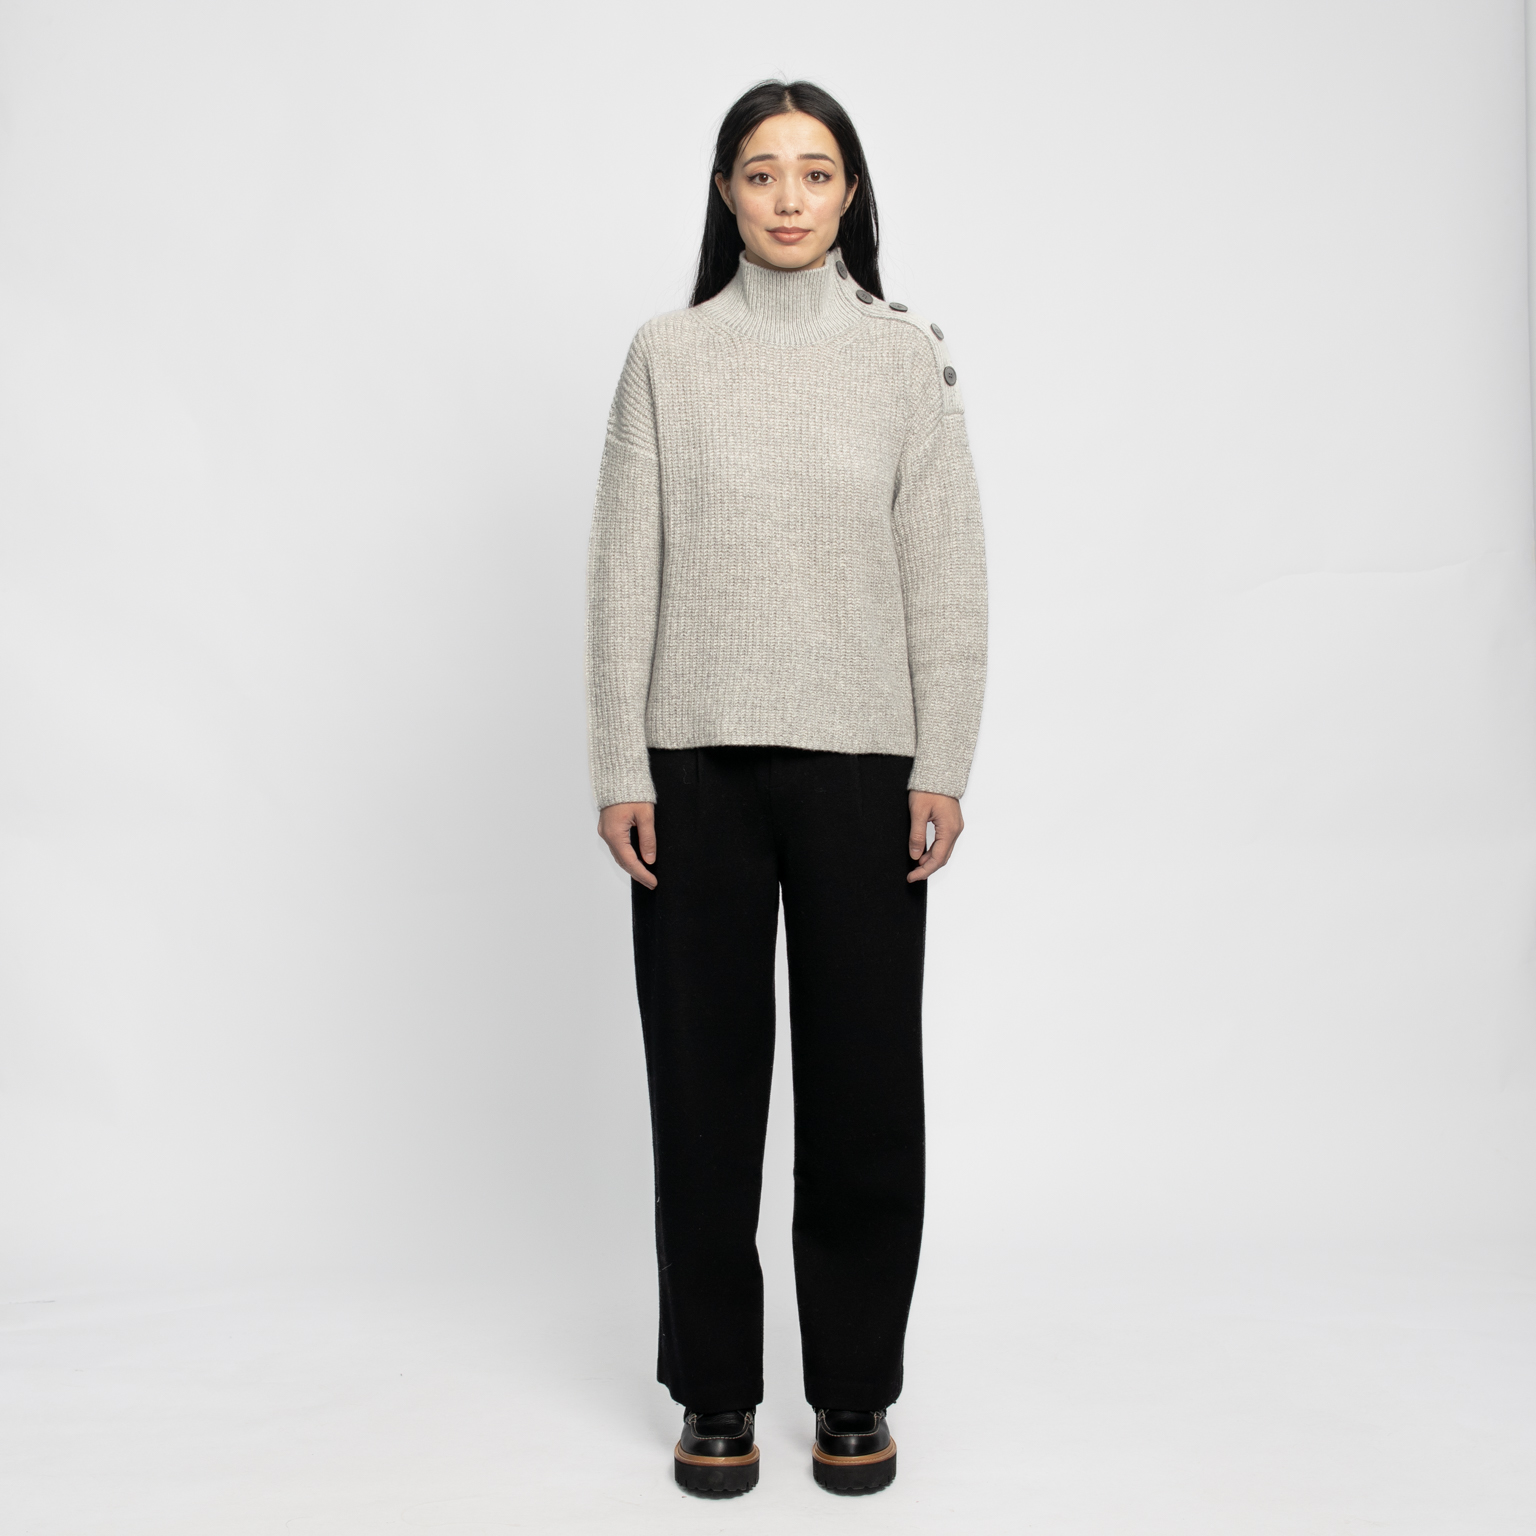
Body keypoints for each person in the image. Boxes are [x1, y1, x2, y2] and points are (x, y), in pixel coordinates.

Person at [584, 78, 988, 1497]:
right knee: (703, 1092)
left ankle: (855, 1388)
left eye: (815, 172)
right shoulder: (668, 355)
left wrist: (944, 759)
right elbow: (623, 569)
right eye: (762, 173)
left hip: (864, 764)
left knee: (865, 1090)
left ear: (850, 191)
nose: (790, 197)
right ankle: (715, 1391)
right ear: (726, 194)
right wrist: (618, 763)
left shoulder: (904, 359)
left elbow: (946, 571)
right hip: (692, 767)